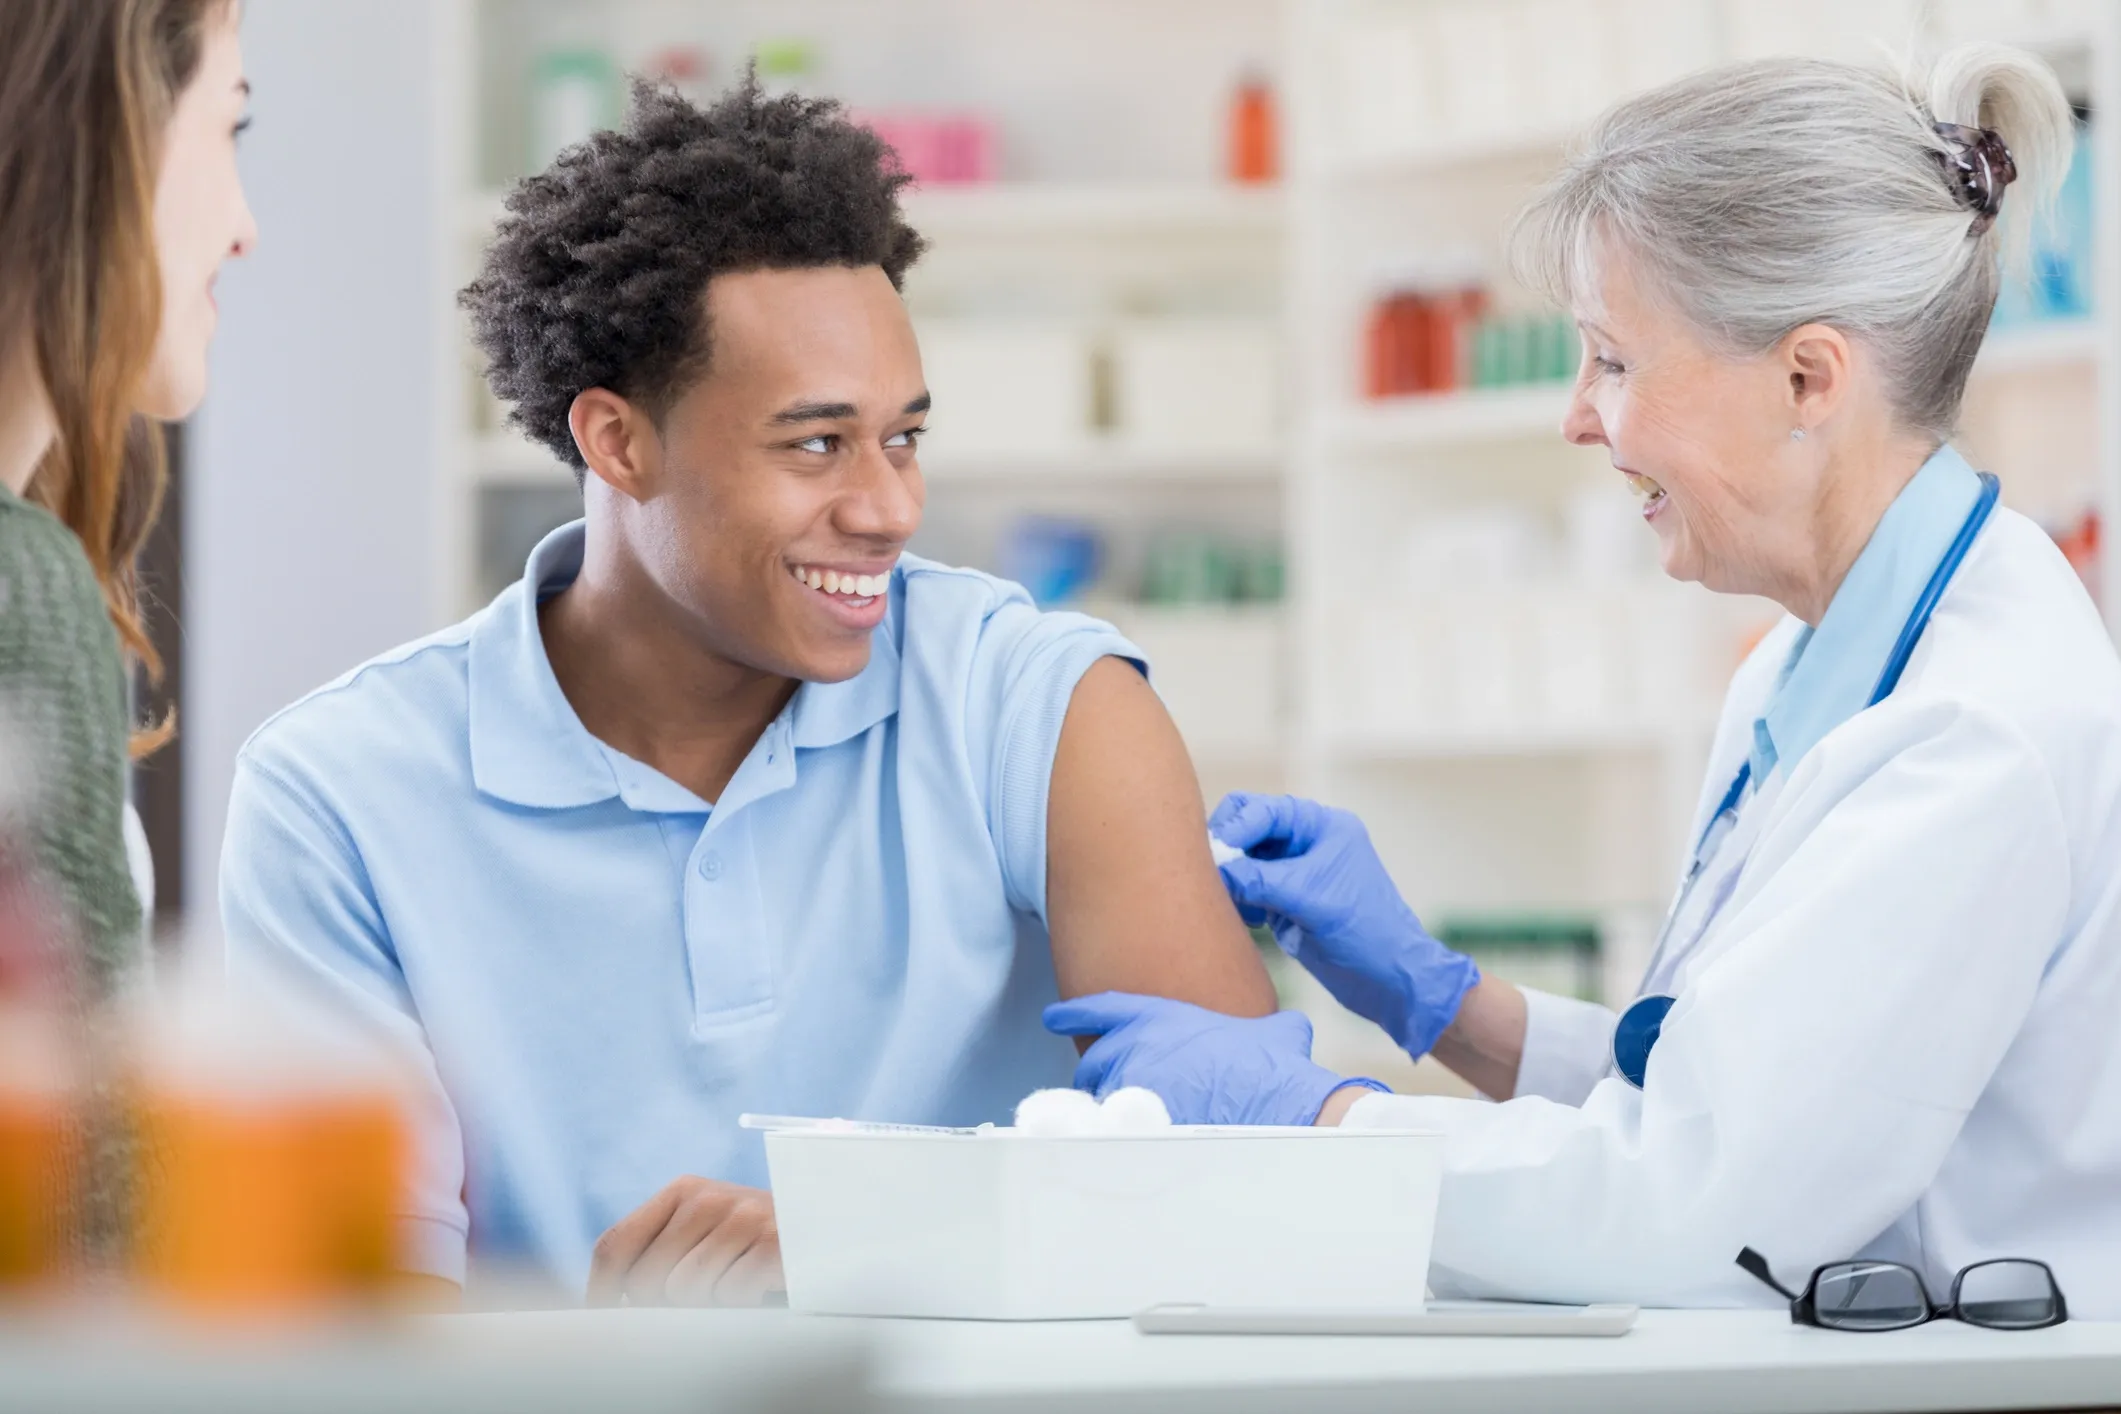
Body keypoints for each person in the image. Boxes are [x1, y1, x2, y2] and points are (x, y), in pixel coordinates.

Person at [1050, 44, 2121, 1318]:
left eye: (1613, 361)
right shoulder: (1807, 666)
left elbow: (1689, 1216)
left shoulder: (1974, 732)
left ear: (1808, 378)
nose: (1576, 416)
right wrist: (1446, 1001)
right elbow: (1710, 1099)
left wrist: (1312, 1117)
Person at [219, 78, 1274, 1307]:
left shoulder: (1041, 709)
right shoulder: (337, 794)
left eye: (906, 437)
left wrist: (880, 1246)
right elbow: (355, 1338)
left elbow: (1250, 1205)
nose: (888, 508)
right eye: (816, 444)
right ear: (618, 442)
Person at [0, 2, 253, 993]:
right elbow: (88, 1142)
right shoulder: (22, 581)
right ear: (105, 125)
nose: (245, 228)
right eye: (231, 126)